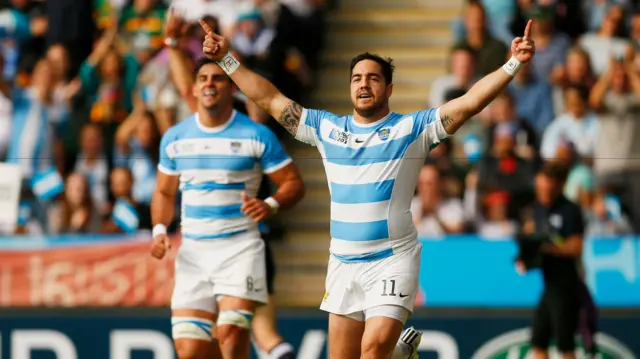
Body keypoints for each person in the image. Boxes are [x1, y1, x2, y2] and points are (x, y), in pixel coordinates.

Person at [198, 13, 536, 359]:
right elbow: (269, 100)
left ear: (388, 89)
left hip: (392, 259)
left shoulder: (411, 130)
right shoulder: (326, 129)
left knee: (372, 350)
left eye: (373, 78)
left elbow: (469, 102)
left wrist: (512, 63)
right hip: (343, 263)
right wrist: (226, 59)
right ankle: (398, 355)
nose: (363, 84)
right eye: (357, 78)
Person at [150, 11, 306, 359]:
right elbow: (163, 192)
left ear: (231, 86)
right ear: (194, 87)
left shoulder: (255, 133)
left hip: (240, 248)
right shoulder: (176, 137)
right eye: (203, 78)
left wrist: (271, 205)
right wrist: (160, 227)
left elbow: (294, 183)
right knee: (190, 350)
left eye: (218, 78)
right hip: (193, 252)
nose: (209, 84)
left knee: (233, 335)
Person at [516, 163, 590, 359]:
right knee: (538, 341)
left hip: (566, 285)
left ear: (557, 186)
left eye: (546, 188)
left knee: (565, 344)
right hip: (549, 285)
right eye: (539, 188)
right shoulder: (539, 208)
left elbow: (576, 246)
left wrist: (552, 248)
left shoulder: (569, 210)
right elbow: (534, 237)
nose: (542, 193)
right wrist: (527, 257)